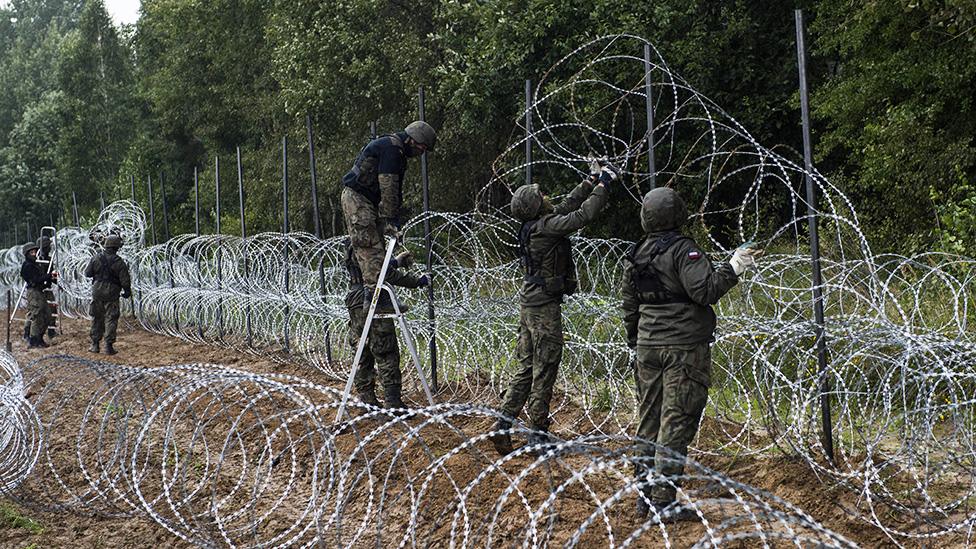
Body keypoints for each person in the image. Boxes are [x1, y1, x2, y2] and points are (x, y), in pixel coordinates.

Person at [621, 187, 761, 520]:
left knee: (649, 420)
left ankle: (644, 495)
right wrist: (735, 266)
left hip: (648, 346)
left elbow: (629, 304)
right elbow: (705, 290)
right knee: (676, 420)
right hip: (682, 347)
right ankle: (663, 500)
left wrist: (635, 340)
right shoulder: (684, 251)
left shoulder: (638, 252)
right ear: (678, 214)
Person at [490, 160, 617, 456]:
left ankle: (502, 425)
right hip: (544, 306)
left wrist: (590, 180)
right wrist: (605, 184)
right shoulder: (547, 228)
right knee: (545, 368)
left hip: (529, 302)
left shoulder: (535, 225)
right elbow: (584, 214)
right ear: (536, 205)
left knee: (525, 367)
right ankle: (537, 436)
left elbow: (567, 205)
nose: (546, 195)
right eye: (541, 195)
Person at [341, 121, 436, 314]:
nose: (420, 153)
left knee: (376, 248)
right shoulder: (393, 149)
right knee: (369, 247)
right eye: (421, 148)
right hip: (358, 200)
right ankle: (376, 298)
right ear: (413, 140)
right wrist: (391, 219)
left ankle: (377, 296)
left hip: (366, 200)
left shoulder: (392, 147)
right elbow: (389, 186)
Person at [344, 238, 430, 409]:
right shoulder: (368, 241)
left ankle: (367, 401)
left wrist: (394, 262)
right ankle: (393, 402)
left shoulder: (355, 242)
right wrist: (417, 281)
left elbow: (373, 266)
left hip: (355, 298)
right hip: (372, 296)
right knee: (385, 348)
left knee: (363, 350)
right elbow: (380, 273)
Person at [84, 234, 132, 355]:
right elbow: (125, 280)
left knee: (97, 317)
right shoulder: (119, 262)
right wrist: (127, 291)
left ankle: (95, 345)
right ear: (116, 248)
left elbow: (88, 273)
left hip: (97, 291)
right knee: (111, 318)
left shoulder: (96, 258)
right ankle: (108, 346)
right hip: (112, 292)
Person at [20, 242, 57, 348]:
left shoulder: (35, 264)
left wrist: (50, 278)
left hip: (39, 291)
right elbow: (35, 279)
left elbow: (41, 277)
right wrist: (48, 276)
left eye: (35, 251)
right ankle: (34, 340)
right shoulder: (27, 266)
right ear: (27, 254)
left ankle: (40, 338)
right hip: (33, 292)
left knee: (47, 314)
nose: (34, 253)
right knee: (37, 315)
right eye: (31, 252)